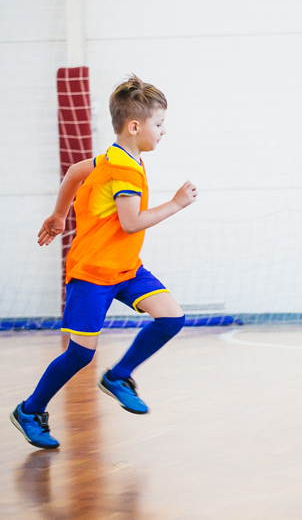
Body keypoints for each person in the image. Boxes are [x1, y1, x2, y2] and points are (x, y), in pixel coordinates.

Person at [10, 75, 197, 449]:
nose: (164, 131)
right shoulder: (123, 170)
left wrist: (59, 214)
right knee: (80, 354)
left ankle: (118, 376)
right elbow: (131, 222)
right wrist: (176, 203)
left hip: (126, 268)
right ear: (134, 127)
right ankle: (30, 410)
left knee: (171, 318)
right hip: (93, 273)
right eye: (159, 124)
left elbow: (74, 172)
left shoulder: (115, 158)